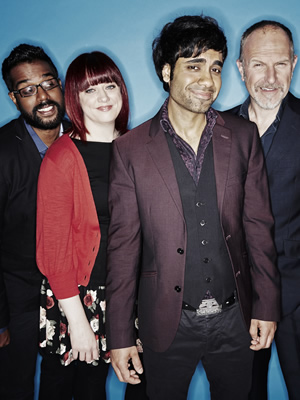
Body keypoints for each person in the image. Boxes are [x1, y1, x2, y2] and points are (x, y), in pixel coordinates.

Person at [105, 15, 281, 400]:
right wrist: (119, 335)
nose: (208, 80)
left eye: (215, 67)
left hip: (234, 319)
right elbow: (122, 249)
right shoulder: (130, 150)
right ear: (167, 71)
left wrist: (266, 306)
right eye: (194, 65)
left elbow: (258, 228)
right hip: (166, 320)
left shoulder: (243, 136)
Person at [36, 51, 148, 400]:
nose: (103, 97)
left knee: (130, 385)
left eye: (110, 86)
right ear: (74, 98)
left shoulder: (139, 148)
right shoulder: (62, 156)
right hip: (77, 297)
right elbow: (52, 250)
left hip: (128, 292)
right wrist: (79, 324)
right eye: (90, 90)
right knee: (75, 389)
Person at [230, 20, 300, 400]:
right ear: (241, 68)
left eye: (281, 64)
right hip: (236, 300)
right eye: (259, 64)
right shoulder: (215, 129)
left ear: (294, 63)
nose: (271, 77)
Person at [0, 43, 67, 400]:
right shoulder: (3, 152)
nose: (42, 96)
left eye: (48, 83)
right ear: (14, 99)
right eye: (27, 90)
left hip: (72, 297)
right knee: (15, 386)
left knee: (62, 386)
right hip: (17, 300)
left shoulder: (83, 139)